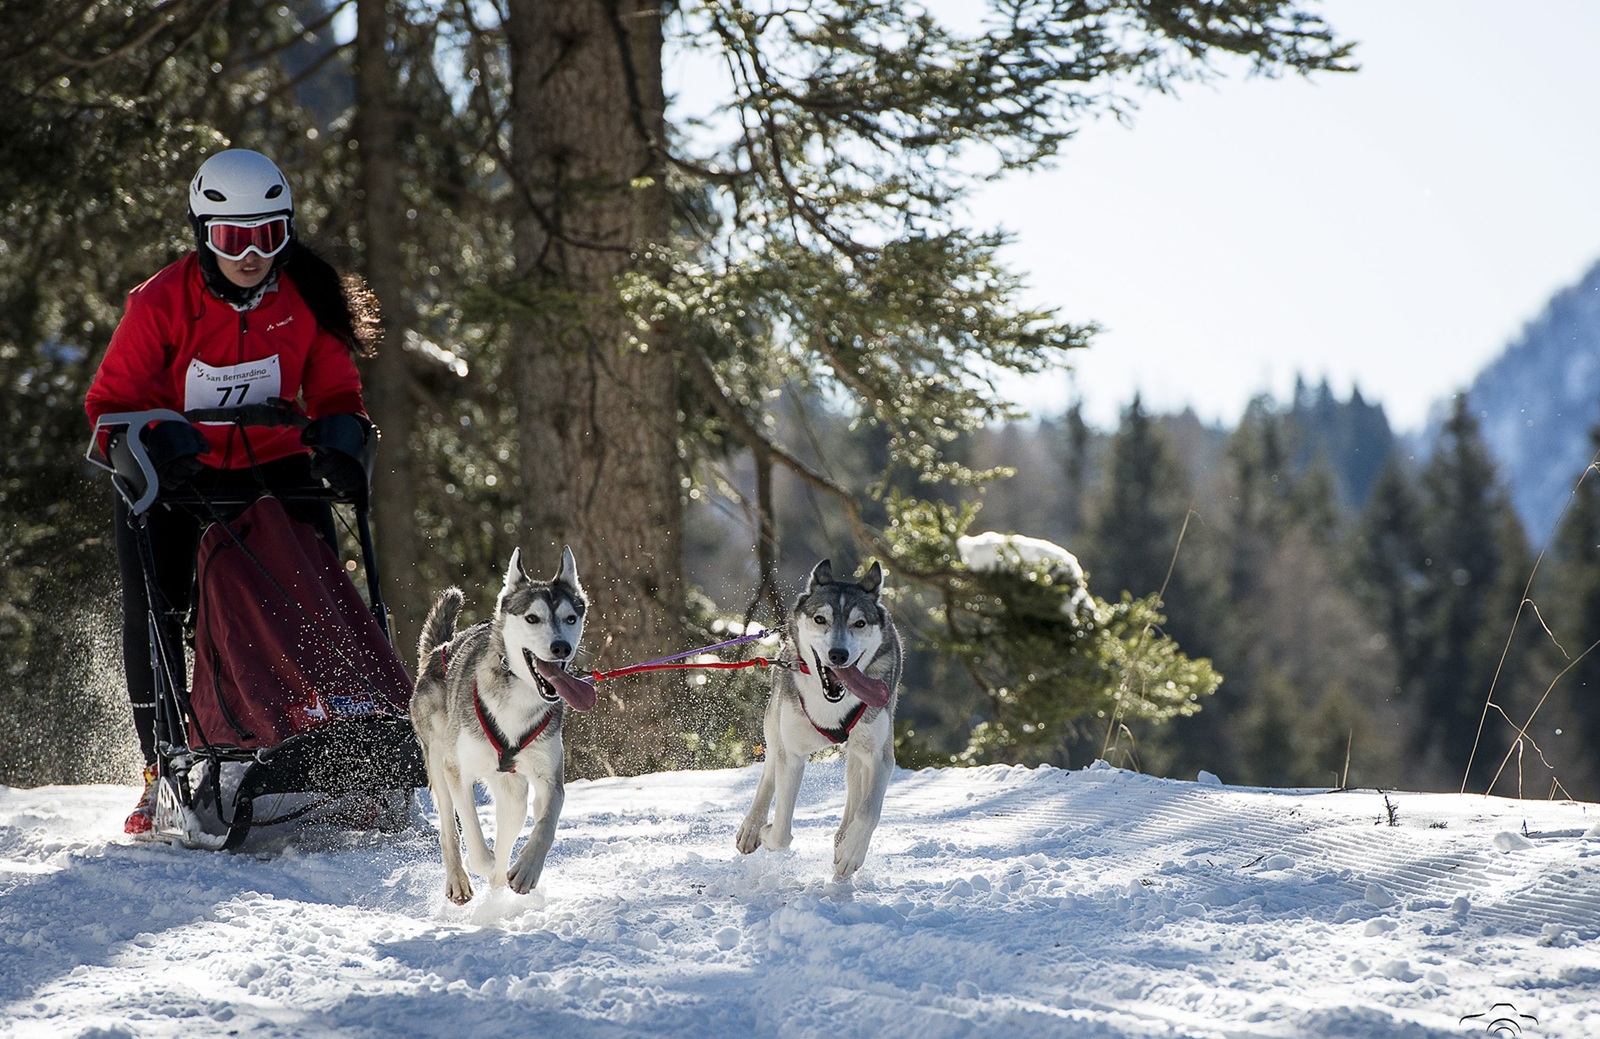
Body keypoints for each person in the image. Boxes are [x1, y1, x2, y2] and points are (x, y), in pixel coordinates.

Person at [85, 149, 380, 836]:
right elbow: (109, 404)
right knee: (159, 611)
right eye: (231, 238)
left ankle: (333, 749)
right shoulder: (159, 302)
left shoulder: (305, 296)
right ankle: (162, 768)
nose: (250, 254)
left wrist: (342, 432)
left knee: (314, 594)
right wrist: (159, 436)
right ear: (203, 233)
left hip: (274, 463)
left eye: (267, 235)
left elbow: (336, 385)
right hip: (171, 472)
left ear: (286, 232)